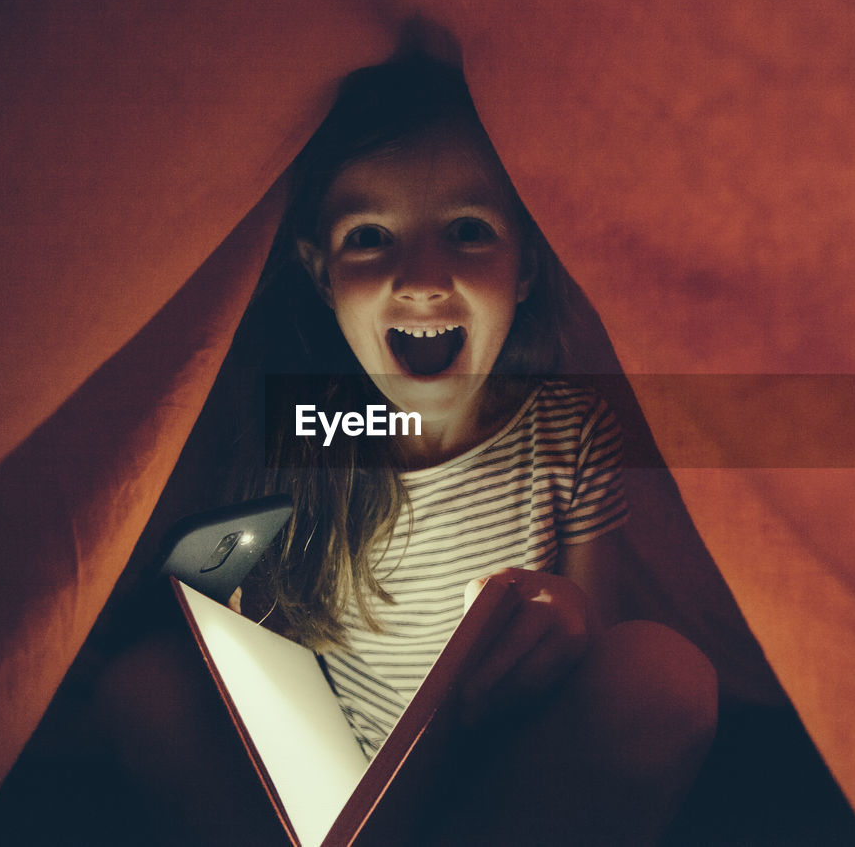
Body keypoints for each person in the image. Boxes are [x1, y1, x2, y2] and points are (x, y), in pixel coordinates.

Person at [97, 53, 717, 847]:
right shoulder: (309, 434)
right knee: (140, 685)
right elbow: (247, 638)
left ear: (524, 264)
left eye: (467, 230)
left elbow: (605, 649)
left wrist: (567, 618)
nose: (422, 278)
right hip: (341, 807)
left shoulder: (566, 431)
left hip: (501, 786)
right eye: (370, 236)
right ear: (321, 277)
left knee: (663, 675)